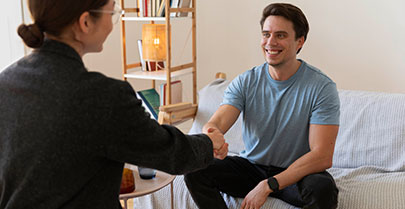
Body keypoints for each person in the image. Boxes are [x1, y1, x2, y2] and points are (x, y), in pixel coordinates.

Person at [0, 0, 228, 209]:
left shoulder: (5, 82)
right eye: (112, 12)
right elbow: (169, 152)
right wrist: (209, 142)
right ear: (86, 22)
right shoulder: (102, 96)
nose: (112, 22)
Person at [184, 3, 340, 209]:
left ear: (299, 41)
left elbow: (321, 156)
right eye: (266, 34)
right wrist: (212, 136)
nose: (270, 42)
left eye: (280, 35)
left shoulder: (321, 87)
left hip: (294, 173)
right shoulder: (246, 81)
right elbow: (217, 122)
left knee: (322, 189)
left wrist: (268, 185)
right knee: (195, 169)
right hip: (251, 168)